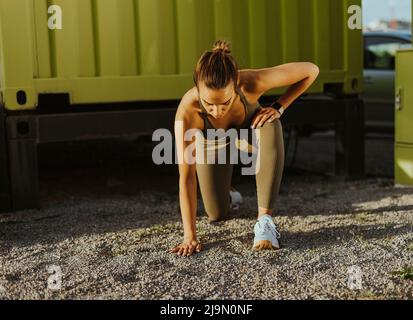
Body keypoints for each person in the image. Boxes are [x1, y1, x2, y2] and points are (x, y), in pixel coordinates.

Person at [170, 40, 319, 256]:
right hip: (215, 144)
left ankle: (264, 222)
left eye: (225, 102)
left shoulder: (251, 82)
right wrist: (189, 237)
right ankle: (229, 195)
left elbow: (311, 70)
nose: (217, 111)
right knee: (217, 214)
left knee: (270, 122)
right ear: (197, 88)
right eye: (209, 104)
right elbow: (186, 177)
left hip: (250, 135)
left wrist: (279, 107)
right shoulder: (187, 112)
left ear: (236, 83)